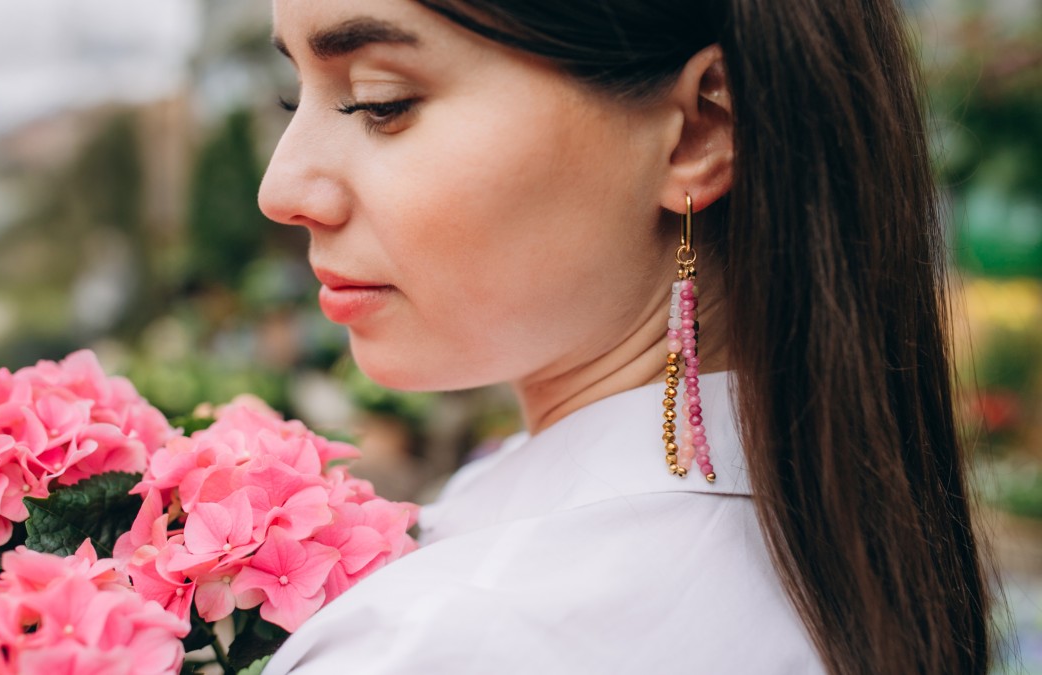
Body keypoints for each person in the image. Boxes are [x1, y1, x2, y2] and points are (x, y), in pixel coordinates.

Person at [255, 1, 995, 673]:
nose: (280, 190)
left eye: (380, 101)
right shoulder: (835, 550)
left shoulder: (443, 639)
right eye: (295, 97)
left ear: (697, 132)